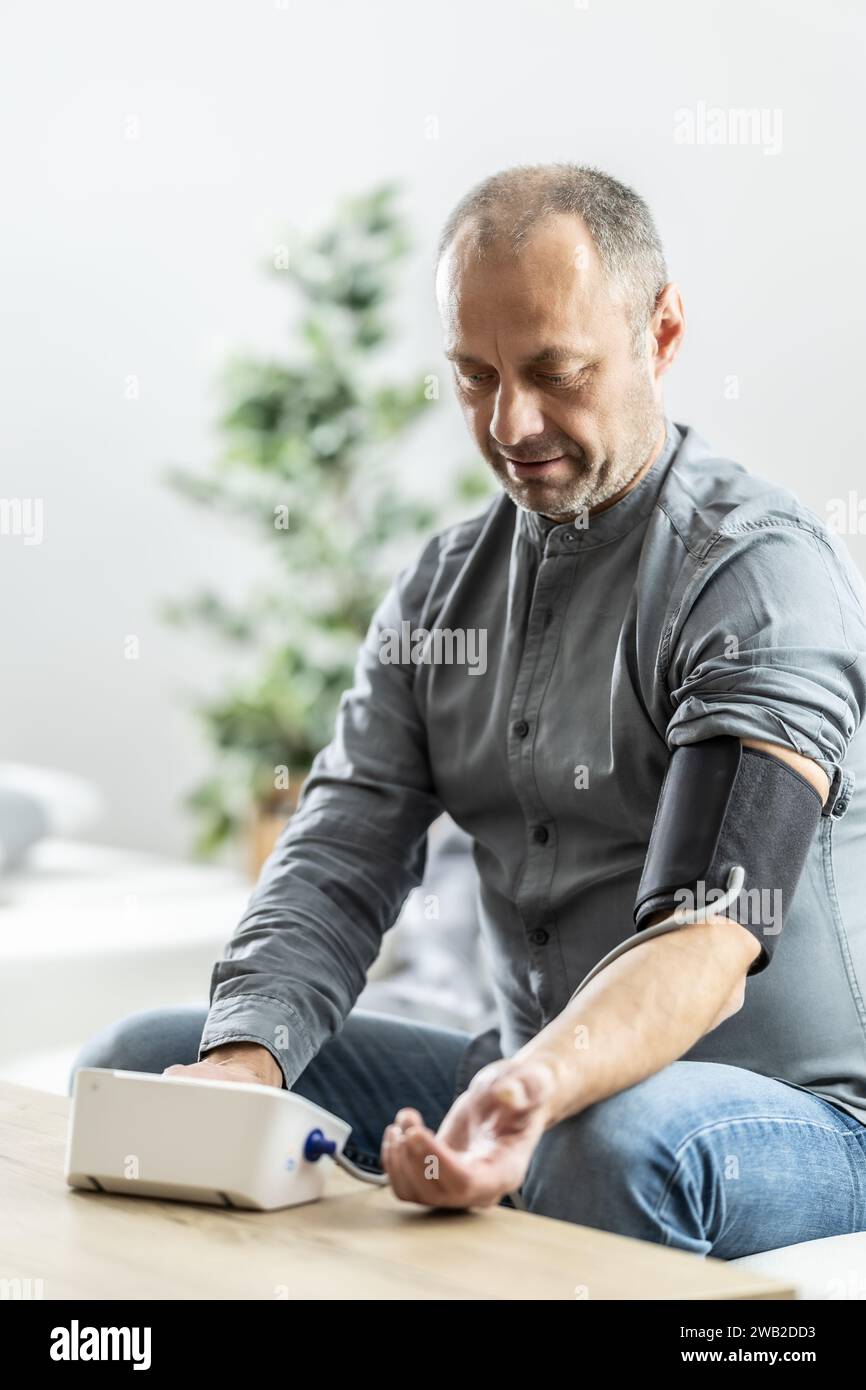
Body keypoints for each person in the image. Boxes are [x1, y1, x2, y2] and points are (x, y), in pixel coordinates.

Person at [72, 164, 866, 1257]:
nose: (511, 422)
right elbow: (339, 857)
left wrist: (530, 1086)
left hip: (789, 1112)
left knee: (599, 1143)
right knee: (137, 1067)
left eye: (555, 370)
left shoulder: (754, 576)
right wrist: (240, 1063)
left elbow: (709, 925)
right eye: (472, 375)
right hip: (520, 1070)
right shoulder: (442, 588)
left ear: (661, 331)